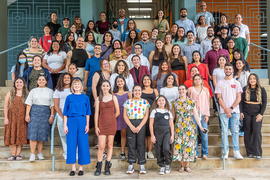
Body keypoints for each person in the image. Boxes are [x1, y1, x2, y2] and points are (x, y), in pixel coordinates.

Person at [171, 84, 208, 173]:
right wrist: (170, 127)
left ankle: (187, 166)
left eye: (183, 89)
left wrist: (201, 127)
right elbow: (172, 116)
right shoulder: (174, 102)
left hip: (189, 126)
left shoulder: (191, 102)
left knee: (189, 146)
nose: (181, 91)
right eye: (179, 89)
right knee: (179, 146)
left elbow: (195, 114)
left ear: (186, 90)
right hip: (178, 127)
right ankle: (182, 166)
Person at [215, 63, 243, 160]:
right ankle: (225, 151)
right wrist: (226, 109)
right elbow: (219, 98)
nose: (228, 71)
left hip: (235, 111)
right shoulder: (220, 83)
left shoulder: (236, 83)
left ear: (232, 70)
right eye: (226, 69)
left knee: (235, 131)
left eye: (229, 69)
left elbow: (239, 98)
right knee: (224, 132)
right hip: (223, 112)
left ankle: (236, 151)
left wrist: (231, 108)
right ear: (224, 70)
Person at [63, 79, 91, 176]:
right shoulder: (69, 98)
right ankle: (73, 168)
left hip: (82, 121)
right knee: (71, 144)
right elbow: (65, 113)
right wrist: (65, 125)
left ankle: (81, 168)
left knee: (83, 144)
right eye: (75, 84)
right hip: (71, 121)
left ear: (81, 86)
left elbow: (88, 113)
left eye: (78, 84)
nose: (77, 86)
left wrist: (87, 125)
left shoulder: (85, 98)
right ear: (72, 86)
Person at [25, 75, 54, 161]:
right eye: (40, 80)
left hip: (45, 113)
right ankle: (32, 154)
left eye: (43, 80)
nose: (41, 81)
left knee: (42, 134)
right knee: (33, 134)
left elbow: (52, 105)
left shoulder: (50, 91)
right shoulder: (33, 91)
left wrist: (52, 115)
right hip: (34, 112)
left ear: (46, 81)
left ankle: (39, 153)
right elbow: (29, 103)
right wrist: (27, 114)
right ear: (37, 81)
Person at [94, 80, 120, 176]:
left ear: (110, 87)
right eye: (103, 86)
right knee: (101, 146)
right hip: (102, 124)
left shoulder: (114, 97)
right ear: (101, 87)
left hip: (111, 124)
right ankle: (99, 166)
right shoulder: (98, 99)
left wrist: (112, 119)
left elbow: (117, 112)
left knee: (110, 145)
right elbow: (96, 113)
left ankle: (107, 166)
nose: (105, 87)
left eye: (107, 86)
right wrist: (96, 126)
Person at [123, 85, 150, 174]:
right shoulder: (127, 102)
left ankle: (142, 164)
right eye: (136, 90)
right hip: (131, 123)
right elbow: (125, 115)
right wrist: (130, 126)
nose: (137, 92)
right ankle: (131, 164)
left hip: (141, 124)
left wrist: (140, 126)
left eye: (139, 90)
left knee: (141, 143)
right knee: (131, 144)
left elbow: (146, 116)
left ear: (141, 92)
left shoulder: (145, 102)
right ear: (133, 91)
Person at [241, 74, 267, 160]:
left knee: (256, 131)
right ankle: (250, 152)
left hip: (257, 113)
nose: (252, 80)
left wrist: (261, 114)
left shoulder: (262, 89)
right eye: (250, 79)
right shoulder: (245, 89)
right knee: (247, 132)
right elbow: (241, 101)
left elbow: (264, 102)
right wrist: (241, 112)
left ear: (256, 80)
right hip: (247, 112)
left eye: (254, 79)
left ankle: (258, 152)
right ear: (248, 80)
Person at [4, 77, 28, 161]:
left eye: (21, 82)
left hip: (22, 118)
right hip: (12, 118)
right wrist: (6, 118)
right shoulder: (10, 93)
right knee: (12, 135)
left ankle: (18, 154)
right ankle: (12, 154)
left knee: (20, 135)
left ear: (23, 84)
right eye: (17, 82)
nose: (19, 84)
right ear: (14, 84)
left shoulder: (27, 94)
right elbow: (6, 106)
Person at [149, 95, 174, 175]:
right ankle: (161, 166)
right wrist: (152, 135)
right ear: (157, 102)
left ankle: (168, 164)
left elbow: (171, 124)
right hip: (157, 133)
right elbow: (150, 124)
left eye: (163, 100)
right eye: (159, 100)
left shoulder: (168, 112)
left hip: (166, 133)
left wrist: (172, 135)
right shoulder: (154, 111)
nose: (161, 102)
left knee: (166, 149)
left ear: (165, 102)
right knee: (158, 150)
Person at [188, 74, 210, 159]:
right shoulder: (190, 89)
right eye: (195, 79)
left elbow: (207, 102)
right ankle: (195, 153)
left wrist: (207, 114)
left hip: (203, 113)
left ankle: (205, 153)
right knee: (194, 134)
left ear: (201, 80)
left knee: (204, 134)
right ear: (193, 80)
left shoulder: (205, 90)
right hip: (193, 114)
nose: (197, 81)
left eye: (199, 79)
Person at [53, 73, 73, 160]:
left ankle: (74, 152)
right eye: (65, 78)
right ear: (62, 79)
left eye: (68, 77)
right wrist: (62, 116)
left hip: (73, 116)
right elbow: (56, 106)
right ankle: (66, 153)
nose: (67, 79)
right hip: (61, 116)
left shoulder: (74, 90)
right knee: (63, 135)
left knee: (73, 135)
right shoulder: (57, 91)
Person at [112, 76, 132, 161]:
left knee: (123, 134)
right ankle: (109, 151)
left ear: (124, 82)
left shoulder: (128, 93)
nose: (120, 83)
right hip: (115, 114)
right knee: (112, 134)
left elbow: (131, 105)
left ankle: (122, 152)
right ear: (116, 83)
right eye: (118, 81)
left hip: (124, 114)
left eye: (121, 81)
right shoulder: (113, 93)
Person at [141, 74, 159, 159]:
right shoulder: (140, 90)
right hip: (142, 114)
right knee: (143, 134)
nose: (146, 81)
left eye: (148, 79)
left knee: (150, 133)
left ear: (151, 81)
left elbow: (158, 102)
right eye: (144, 79)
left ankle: (150, 151)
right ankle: (144, 151)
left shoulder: (154, 90)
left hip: (152, 114)